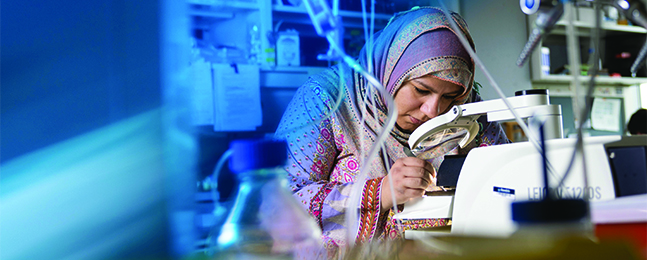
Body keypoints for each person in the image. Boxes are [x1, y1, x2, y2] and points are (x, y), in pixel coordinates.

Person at [274, 6, 510, 254]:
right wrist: (383, 192)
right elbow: (276, 204)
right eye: (421, 90)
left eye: (449, 96)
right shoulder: (327, 99)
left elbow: (507, 183)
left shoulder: (467, 111)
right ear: (392, 72)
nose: (433, 110)